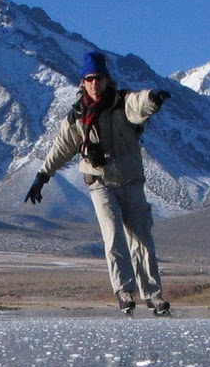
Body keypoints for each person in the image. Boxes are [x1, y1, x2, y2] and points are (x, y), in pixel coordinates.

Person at [24, 51, 172, 316]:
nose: (95, 83)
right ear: (83, 82)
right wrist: (42, 176)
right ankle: (124, 292)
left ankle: (153, 295)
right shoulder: (77, 116)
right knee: (112, 233)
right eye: (90, 78)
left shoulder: (121, 103)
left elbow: (139, 104)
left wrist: (152, 98)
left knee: (141, 237)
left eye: (99, 78)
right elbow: (61, 148)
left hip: (131, 180)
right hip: (100, 182)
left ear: (107, 80)